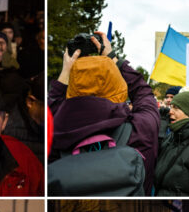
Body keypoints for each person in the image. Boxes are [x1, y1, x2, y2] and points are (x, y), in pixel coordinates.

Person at [49, 30, 159, 195]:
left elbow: (53, 109)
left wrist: (67, 71)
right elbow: (143, 92)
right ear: (119, 88)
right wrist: (113, 57)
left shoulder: (54, 138)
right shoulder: (143, 129)